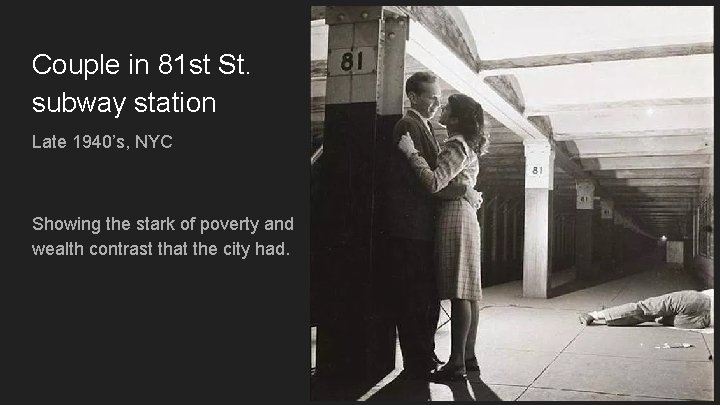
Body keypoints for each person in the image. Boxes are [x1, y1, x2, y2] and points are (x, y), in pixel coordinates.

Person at [383, 73, 482, 379]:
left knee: (453, 292)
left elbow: (436, 180)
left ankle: (444, 359)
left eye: (442, 101)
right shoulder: (408, 125)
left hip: (442, 220)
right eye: (432, 98)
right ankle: (441, 358)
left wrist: (463, 190)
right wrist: (465, 190)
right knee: (449, 293)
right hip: (418, 225)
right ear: (413, 97)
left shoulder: (440, 136)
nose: (438, 105)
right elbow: (429, 185)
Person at [579, 289, 713, 329]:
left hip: (699, 300)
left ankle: (595, 315)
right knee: (658, 319)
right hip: (703, 322)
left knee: (644, 309)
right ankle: (610, 313)